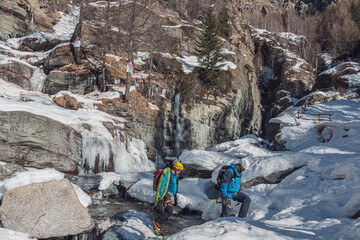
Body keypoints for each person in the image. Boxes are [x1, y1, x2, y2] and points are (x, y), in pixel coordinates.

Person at [152, 162, 183, 233]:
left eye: (180, 171)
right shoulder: (167, 173)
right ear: (175, 168)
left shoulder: (175, 175)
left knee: (167, 211)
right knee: (169, 210)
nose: (179, 172)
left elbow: (174, 186)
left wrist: (175, 196)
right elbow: (162, 185)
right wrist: (160, 198)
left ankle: (160, 225)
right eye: (179, 170)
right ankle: (156, 222)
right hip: (165, 193)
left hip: (170, 194)